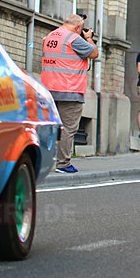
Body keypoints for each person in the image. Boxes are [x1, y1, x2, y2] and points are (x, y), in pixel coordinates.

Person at [41, 14, 99, 173]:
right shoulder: (74, 39)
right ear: (78, 28)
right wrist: (88, 38)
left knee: (49, 127)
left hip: (49, 90)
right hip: (70, 90)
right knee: (67, 128)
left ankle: (42, 161)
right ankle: (63, 164)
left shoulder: (51, 36)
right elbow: (94, 53)